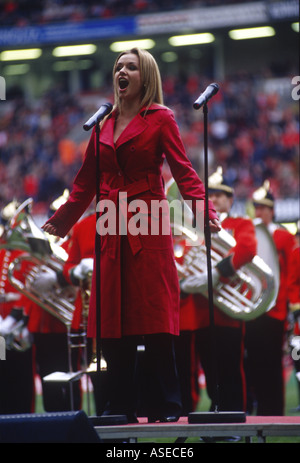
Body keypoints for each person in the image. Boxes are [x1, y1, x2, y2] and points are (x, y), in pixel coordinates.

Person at [42, 47, 220, 423]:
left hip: (148, 220)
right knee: (112, 319)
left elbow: (184, 172)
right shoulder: (102, 124)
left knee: (153, 317)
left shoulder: (160, 118)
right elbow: (83, 185)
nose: (122, 71)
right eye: (119, 66)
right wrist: (59, 224)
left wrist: (205, 213)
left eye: (131, 67)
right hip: (110, 225)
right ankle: (117, 405)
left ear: (145, 77)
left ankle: (167, 405)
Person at [180, 166, 257, 413]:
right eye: (208, 196)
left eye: (219, 195)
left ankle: (234, 416)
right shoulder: (193, 229)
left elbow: (246, 249)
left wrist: (217, 273)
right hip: (199, 313)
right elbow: (183, 260)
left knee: (230, 369)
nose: (212, 199)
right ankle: (217, 415)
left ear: (230, 199)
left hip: (228, 310)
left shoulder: (240, 223)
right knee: (211, 370)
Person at [244, 180, 296, 415]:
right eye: (257, 207)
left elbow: (289, 273)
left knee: (273, 362)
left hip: (275, 309)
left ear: (272, 211)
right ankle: (259, 410)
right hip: (254, 307)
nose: (260, 212)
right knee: (254, 362)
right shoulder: (251, 234)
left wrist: (285, 304)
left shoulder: (283, 237)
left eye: (264, 207)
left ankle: (274, 410)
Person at [0, 200, 35, 414]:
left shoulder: (26, 255)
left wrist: (16, 319)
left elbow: (30, 291)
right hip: (1, 327)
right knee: (3, 372)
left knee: (21, 373)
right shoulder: (2, 253)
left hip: (20, 323)